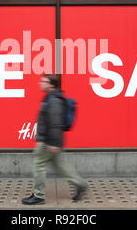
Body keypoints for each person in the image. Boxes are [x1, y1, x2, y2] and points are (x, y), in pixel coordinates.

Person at [22, 74, 88, 205]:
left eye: (44, 81)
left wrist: (53, 142)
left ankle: (38, 196)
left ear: (51, 84)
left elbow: (55, 123)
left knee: (38, 164)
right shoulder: (51, 98)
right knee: (59, 165)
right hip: (51, 140)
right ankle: (80, 184)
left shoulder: (54, 100)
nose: (41, 83)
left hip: (48, 141)